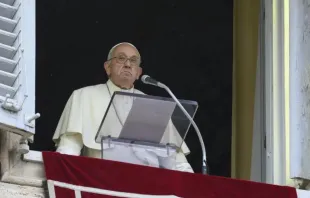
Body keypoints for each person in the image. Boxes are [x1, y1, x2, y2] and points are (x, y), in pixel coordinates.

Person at [52, 42, 193, 172]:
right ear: (108, 67)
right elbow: (69, 148)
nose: (127, 64)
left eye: (133, 61)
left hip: (147, 183)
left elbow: (175, 159)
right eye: (121, 58)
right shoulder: (84, 95)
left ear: (138, 72)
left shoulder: (154, 106)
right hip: (101, 178)